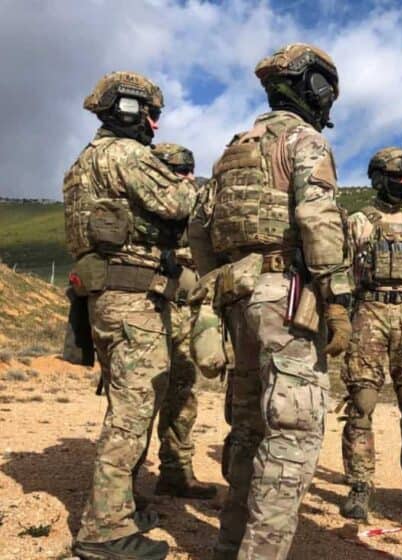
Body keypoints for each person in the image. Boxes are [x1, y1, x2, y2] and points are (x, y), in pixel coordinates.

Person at [209, 43, 352, 560]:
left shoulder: (232, 151)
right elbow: (318, 220)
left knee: (248, 428)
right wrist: (336, 299)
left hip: (237, 296)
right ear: (312, 87)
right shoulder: (304, 141)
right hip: (284, 297)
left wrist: (218, 285)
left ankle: (230, 546)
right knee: (292, 433)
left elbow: (203, 226)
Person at [64, 71, 196, 560]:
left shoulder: (82, 163)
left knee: (127, 403)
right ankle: (104, 530)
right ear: (129, 108)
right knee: (133, 411)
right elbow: (180, 201)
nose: (155, 125)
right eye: (151, 114)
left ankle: (122, 505)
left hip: (105, 298)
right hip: (131, 299)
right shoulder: (127, 155)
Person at [340, 147, 402, 520]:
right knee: (361, 403)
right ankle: (360, 487)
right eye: (395, 176)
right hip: (370, 312)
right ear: (378, 178)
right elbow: (342, 275)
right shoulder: (357, 223)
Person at [141, 142, 217, 500]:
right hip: (151, 309)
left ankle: (176, 472)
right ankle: (124, 486)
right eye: (180, 170)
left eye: (190, 169)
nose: (188, 177)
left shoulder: (195, 209)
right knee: (143, 396)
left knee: (183, 395)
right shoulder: (144, 205)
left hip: (188, 310)